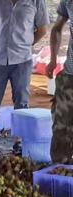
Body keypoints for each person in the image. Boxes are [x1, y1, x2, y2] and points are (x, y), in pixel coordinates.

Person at [0, 0, 49, 146]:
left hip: (22, 61)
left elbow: (42, 30)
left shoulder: (36, 1)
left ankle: (20, 142)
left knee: (21, 101)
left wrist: (25, 44)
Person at [47, 0, 73, 163]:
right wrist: (53, 59)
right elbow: (57, 28)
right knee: (60, 133)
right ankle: (60, 175)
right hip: (69, 77)